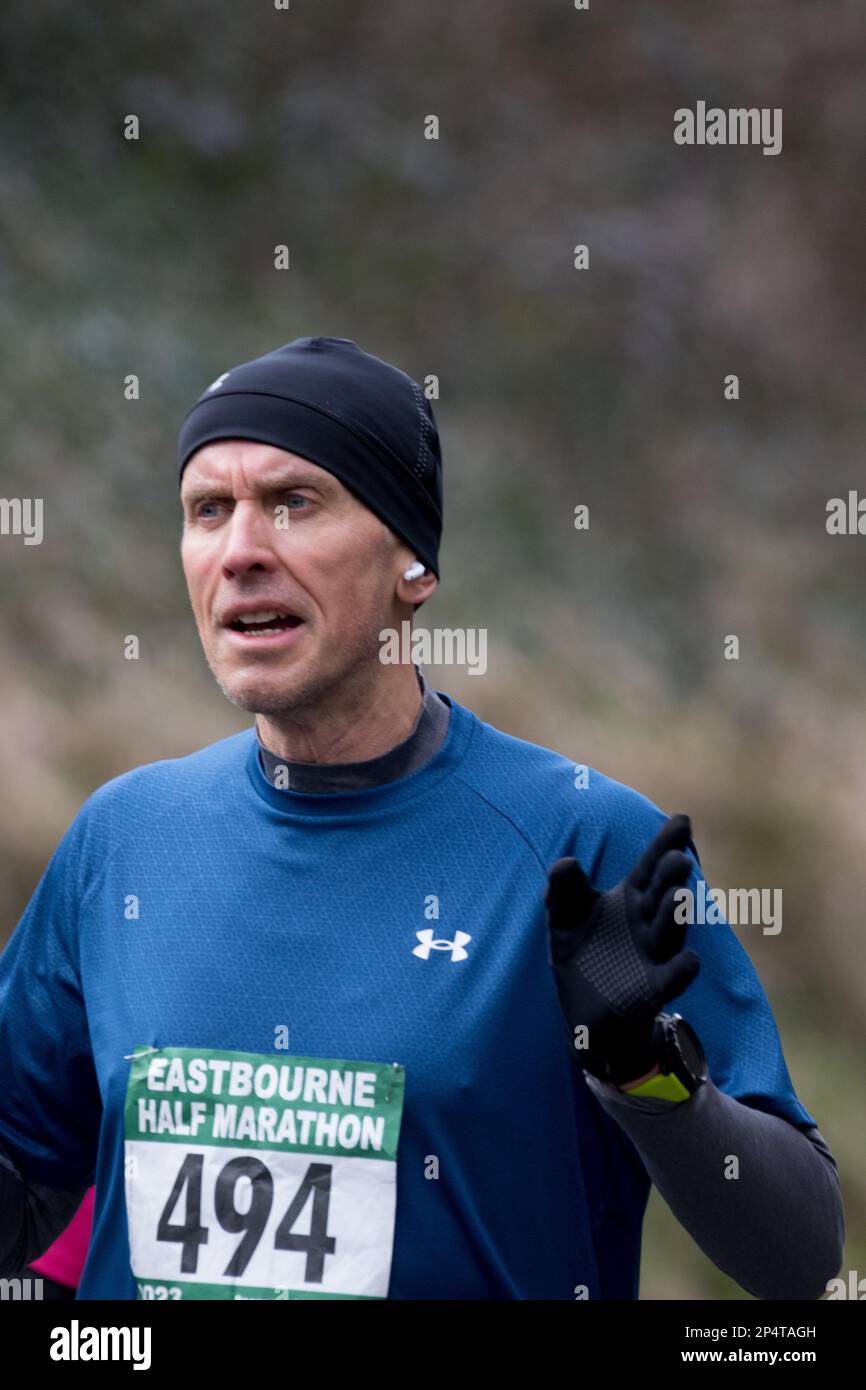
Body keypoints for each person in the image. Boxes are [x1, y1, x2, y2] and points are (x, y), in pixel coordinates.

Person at [0, 336, 844, 1300]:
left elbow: (800, 1257)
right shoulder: (123, 839)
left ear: (414, 564)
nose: (239, 552)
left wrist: (644, 1072)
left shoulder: (584, 846)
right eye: (207, 512)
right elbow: (27, 1187)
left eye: (293, 503)